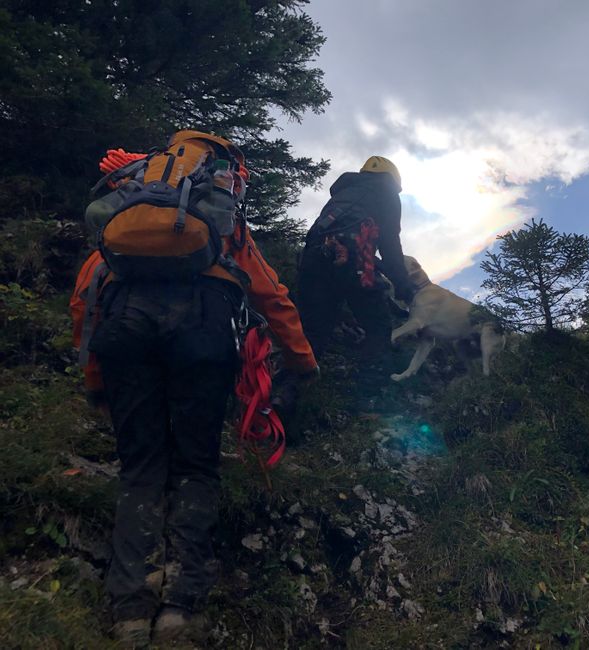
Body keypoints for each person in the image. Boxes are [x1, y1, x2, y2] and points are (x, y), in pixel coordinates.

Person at [70, 132, 317, 647]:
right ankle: (181, 609)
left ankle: (130, 611)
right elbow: (271, 295)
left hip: (123, 328)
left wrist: (95, 379)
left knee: (139, 468)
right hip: (202, 330)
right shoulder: (218, 209)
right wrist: (302, 362)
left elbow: (86, 295)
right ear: (227, 167)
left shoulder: (137, 197)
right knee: (196, 464)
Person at [296, 156, 415, 377]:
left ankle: (289, 391)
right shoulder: (386, 193)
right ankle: (373, 396)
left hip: (313, 258)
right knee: (378, 327)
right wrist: (403, 286)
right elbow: (389, 244)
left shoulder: (343, 193)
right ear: (392, 179)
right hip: (355, 263)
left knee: (313, 332)